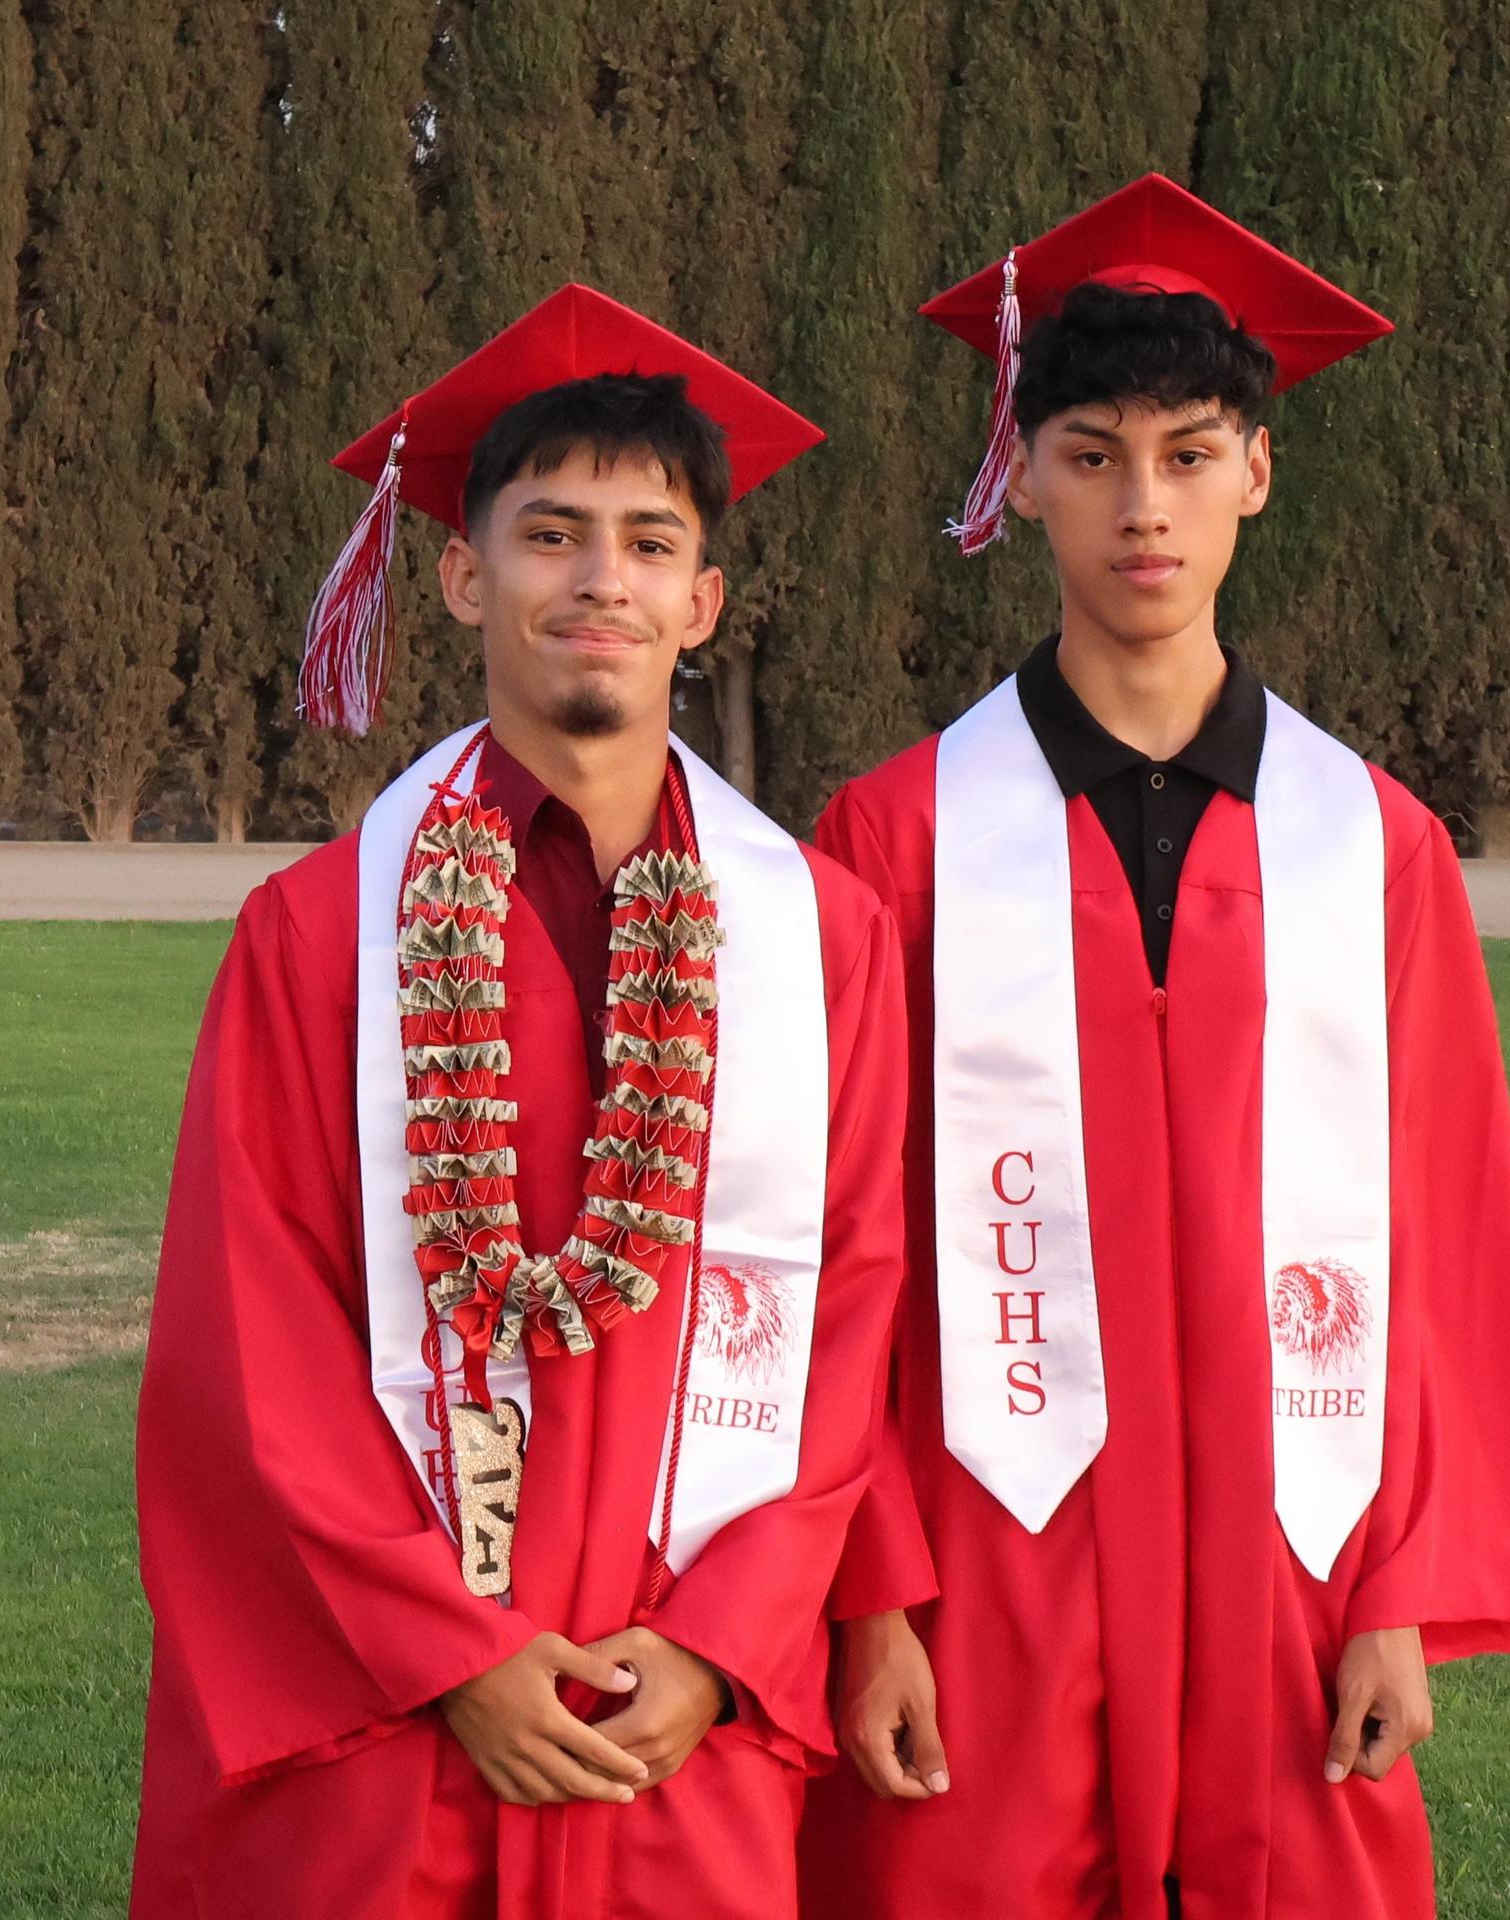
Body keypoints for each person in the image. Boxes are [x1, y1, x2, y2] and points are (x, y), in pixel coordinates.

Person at [803, 174, 1510, 1919]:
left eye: (1187, 451)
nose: (1140, 505)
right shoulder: (895, 840)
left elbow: (1442, 1246)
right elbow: (833, 1262)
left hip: (1292, 1563)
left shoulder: (1371, 847)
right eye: (1089, 453)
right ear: (1019, 479)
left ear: (1256, 468)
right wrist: (870, 1600)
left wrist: (1395, 1586)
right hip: (985, 1559)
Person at [131, 284, 928, 1920]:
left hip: (672, 1715)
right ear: (460, 573)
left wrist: (726, 1644)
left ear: (704, 600)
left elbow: (851, 1310)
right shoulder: (318, 935)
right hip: (391, 1728)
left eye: (647, 544)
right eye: (551, 535)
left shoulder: (820, 939)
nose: (599, 581)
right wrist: (453, 1655)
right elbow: (251, 1330)